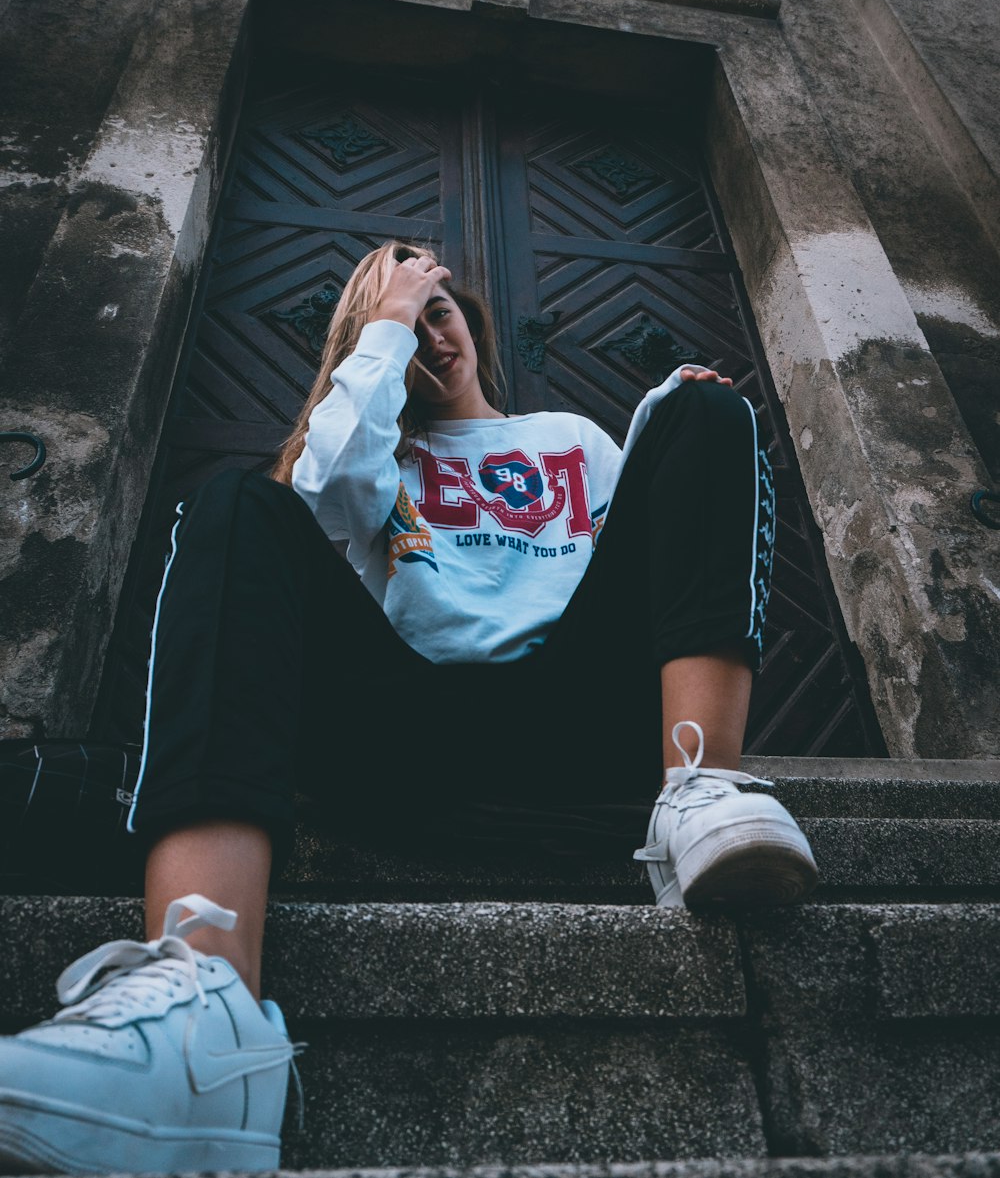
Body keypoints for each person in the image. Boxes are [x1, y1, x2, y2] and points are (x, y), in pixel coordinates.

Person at [0, 242, 817, 1175]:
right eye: (405, 319)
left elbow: (669, 558)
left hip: (586, 723)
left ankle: (700, 785)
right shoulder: (375, 459)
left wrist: (682, 419)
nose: (432, 335)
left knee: (701, 401)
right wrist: (384, 326)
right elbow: (320, 491)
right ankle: (201, 1016)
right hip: (412, 735)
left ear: (469, 318)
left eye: (440, 310)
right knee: (238, 502)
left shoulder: (573, 440)